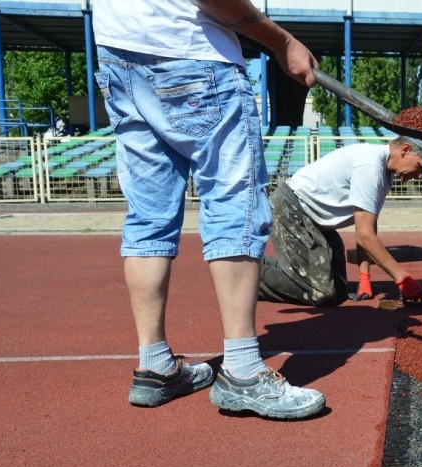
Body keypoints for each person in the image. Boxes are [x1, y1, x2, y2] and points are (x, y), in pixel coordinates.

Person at [92, 0, 325, 419]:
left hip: (118, 56)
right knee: (235, 203)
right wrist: (282, 41)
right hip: (193, 54)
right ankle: (242, 371)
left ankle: (155, 365)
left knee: (148, 216)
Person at [257, 136, 422, 307]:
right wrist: (402, 279)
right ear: (405, 150)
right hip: (293, 208)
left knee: (339, 289)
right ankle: (246, 279)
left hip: (316, 220)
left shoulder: (384, 175)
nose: (420, 175)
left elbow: (369, 228)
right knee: (320, 293)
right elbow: (364, 236)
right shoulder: (369, 167)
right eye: (420, 166)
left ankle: (265, 266)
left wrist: (364, 277)